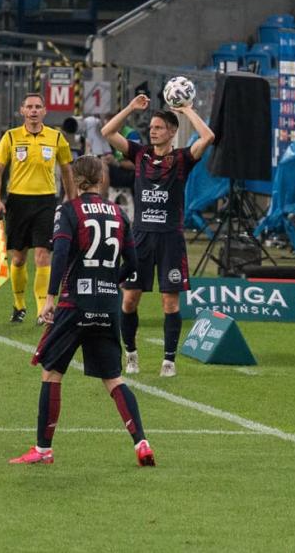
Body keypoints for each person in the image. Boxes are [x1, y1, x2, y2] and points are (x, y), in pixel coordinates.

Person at [8, 155, 155, 466]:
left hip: (75, 303)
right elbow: (134, 264)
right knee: (114, 379)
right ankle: (141, 442)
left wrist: (50, 298)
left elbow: (59, 251)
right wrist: (109, 281)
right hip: (107, 304)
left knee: (52, 373)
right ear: (101, 180)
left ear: (73, 180)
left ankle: (43, 450)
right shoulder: (118, 213)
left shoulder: (69, 211)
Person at [102, 94, 215, 377]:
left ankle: (169, 361)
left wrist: (188, 109)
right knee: (129, 300)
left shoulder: (182, 159)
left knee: (170, 303)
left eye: (159, 127)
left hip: (170, 240)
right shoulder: (140, 155)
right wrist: (129, 107)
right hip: (139, 239)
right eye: (151, 127)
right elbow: (107, 132)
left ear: (172, 132)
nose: (153, 131)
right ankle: (131, 355)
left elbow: (208, 136)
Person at [0, 93, 76, 325]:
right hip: (17, 202)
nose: (34, 111)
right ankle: (19, 305)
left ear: (45, 111)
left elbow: (67, 169)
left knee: (43, 255)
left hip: (46, 203)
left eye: (38, 107)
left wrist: (71, 198)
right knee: (18, 258)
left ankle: (42, 310)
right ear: (22, 111)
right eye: (30, 107)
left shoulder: (56, 137)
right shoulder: (11, 137)